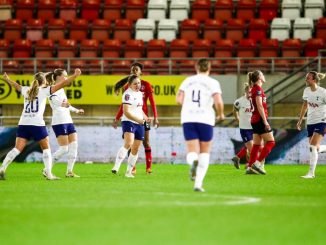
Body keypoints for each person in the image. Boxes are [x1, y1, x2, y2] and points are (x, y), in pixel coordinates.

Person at [0, 69, 81, 180]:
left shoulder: (26, 90)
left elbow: (16, 86)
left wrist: (7, 79)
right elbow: (64, 83)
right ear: (44, 81)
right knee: (46, 148)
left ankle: (2, 168)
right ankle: (49, 174)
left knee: (17, 149)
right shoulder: (45, 90)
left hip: (23, 123)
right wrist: (75, 75)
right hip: (37, 124)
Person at [176, 58, 224, 192]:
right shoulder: (213, 82)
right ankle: (198, 184)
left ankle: (192, 163)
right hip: (206, 118)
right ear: (209, 68)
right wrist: (220, 114)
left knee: (192, 150)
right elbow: (218, 102)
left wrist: (187, 104)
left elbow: (179, 100)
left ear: (196, 67)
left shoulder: (187, 81)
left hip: (188, 118)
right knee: (204, 152)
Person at [112, 62, 159, 174]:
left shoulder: (146, 85)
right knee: (130, 143)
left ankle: (148, 168)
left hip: (143, 117)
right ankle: (132, 169)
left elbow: (152, 102)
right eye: (132, 70)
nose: (134, 71)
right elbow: (123, 106)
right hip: (132, 119)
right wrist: (117, 117)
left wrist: (155, 117)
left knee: (146, 142)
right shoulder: (127, 89)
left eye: (136, 70)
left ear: (140, 72)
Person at [45, 69, 84, 178]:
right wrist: (63, 104)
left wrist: (76, 110)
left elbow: (66, 104)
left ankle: (69, 171)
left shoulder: (61, 90)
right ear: (58, 77)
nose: (66, 78)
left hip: (68, 120)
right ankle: (46, 169)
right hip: (59, 121)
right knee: (64, 149)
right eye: (65, 76)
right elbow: (56, 102)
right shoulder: (52, 89)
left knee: (74, 145)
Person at [297, 71, 326, 179]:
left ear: (314, 80)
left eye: (308, 78)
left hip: (322, 121)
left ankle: (311, 173)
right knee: (315, 148)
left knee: (312, 146)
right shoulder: (306, 91)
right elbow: (305, 105)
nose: (306, 80)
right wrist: (300, 120)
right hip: (310, 122)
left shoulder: (323, 92)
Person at [246, 70, 275, 175]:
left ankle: (250, 167)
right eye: (262, 74)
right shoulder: (258, 89)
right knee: (271, 142)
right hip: (259, 119)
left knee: (256, 145)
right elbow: (259, 105)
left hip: (254, 120)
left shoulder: (254, 89)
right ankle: (257, 164)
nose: (264, 75)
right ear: (259, 77)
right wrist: (265, 121)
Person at [232, 83, 253, 169]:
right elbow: (234, 110)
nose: (250, 94)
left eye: (252, 92)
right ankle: (251, 166)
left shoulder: (255, 101)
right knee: (251, 148)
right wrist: (237, 118)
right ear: (245, 91)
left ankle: (237, 157)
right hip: (245, 129)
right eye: (249, 92)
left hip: (254, 128)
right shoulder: (239, 101)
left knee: (252, 147)